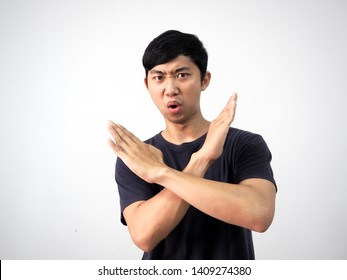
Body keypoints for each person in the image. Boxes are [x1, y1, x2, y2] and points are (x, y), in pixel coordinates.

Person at [108, 30, 276, 260]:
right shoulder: (138, 156)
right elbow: (144, 236)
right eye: (159, 77)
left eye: (182, 75)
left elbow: (259, 214)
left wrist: (161, 173)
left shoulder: (244, 144)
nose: (170, 89)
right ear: (147, 85)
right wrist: (202, 159)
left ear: (204, 80)